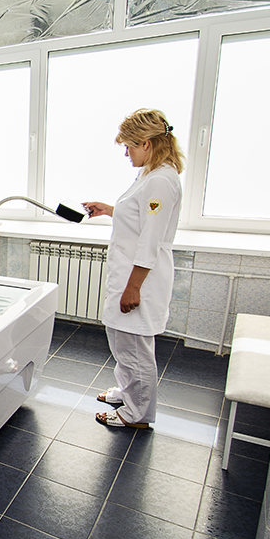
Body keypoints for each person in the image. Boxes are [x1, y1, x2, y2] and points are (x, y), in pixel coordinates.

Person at [83, 108, 183, 429]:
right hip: (128, 274)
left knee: (136, 349)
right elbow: (140, 217)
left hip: (140, 279)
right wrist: (109, 210)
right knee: (122, 342)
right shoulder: (150, 175)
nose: (126, 153)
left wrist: (133, 287)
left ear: (146, 143)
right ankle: (128, 392)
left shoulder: (161, 182)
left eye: (129, 146)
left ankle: (136, 414)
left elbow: (150, 239)